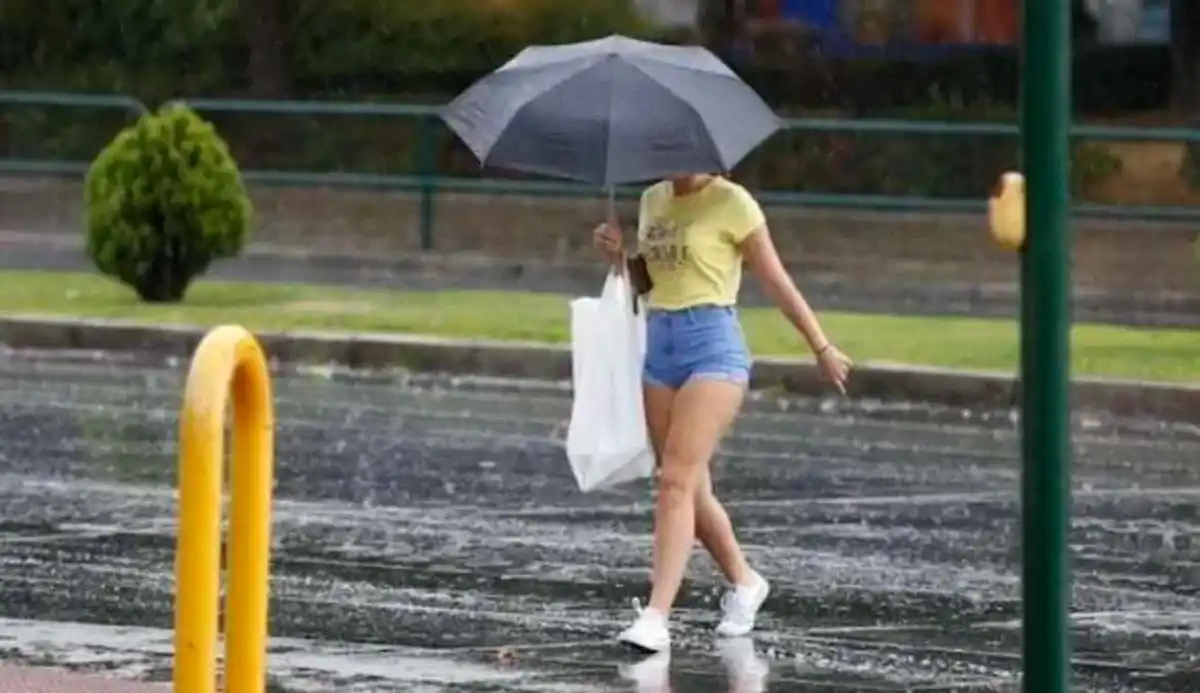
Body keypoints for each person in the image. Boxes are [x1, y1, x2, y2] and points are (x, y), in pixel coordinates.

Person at [592, 173, 853, 653]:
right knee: (688, 485)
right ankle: (746, 580)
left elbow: (775, 278)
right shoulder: (653, 199)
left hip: (712, 344)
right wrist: (618, 258)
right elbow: (649, 278)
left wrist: (821, 345)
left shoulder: (733, 202)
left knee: (676, 481)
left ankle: (656, 616)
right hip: (660, 344)